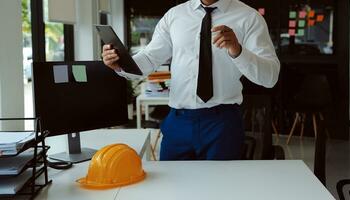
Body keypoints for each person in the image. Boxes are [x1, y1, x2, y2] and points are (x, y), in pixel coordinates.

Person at [102, 0, 280, 161]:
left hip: (222, 123)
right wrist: (121, 64)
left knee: (221, 190)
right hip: (179, 122)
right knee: (172, 189)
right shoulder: (175, 15)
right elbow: (150, 58)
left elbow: (270, 77)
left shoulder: (249, 17)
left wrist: (238, 50)